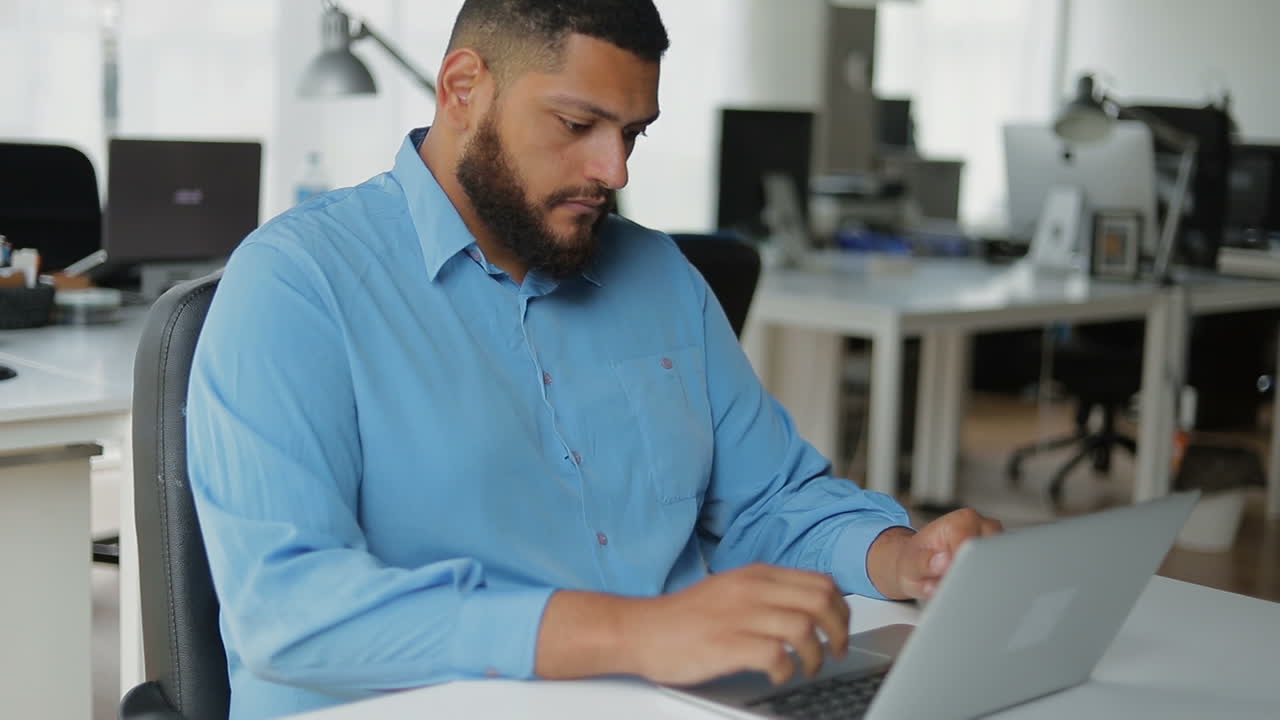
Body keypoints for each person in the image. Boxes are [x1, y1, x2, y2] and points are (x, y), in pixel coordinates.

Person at [187, 1, 1002, 716]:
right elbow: (286, 608)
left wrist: (898, 556)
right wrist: (635, 633)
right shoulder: (298, 283)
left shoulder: (660, 277)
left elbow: (769, 502)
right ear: (463, 88)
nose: (613, 170)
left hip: (669, 699)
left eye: (633, 134)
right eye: (578, 126)